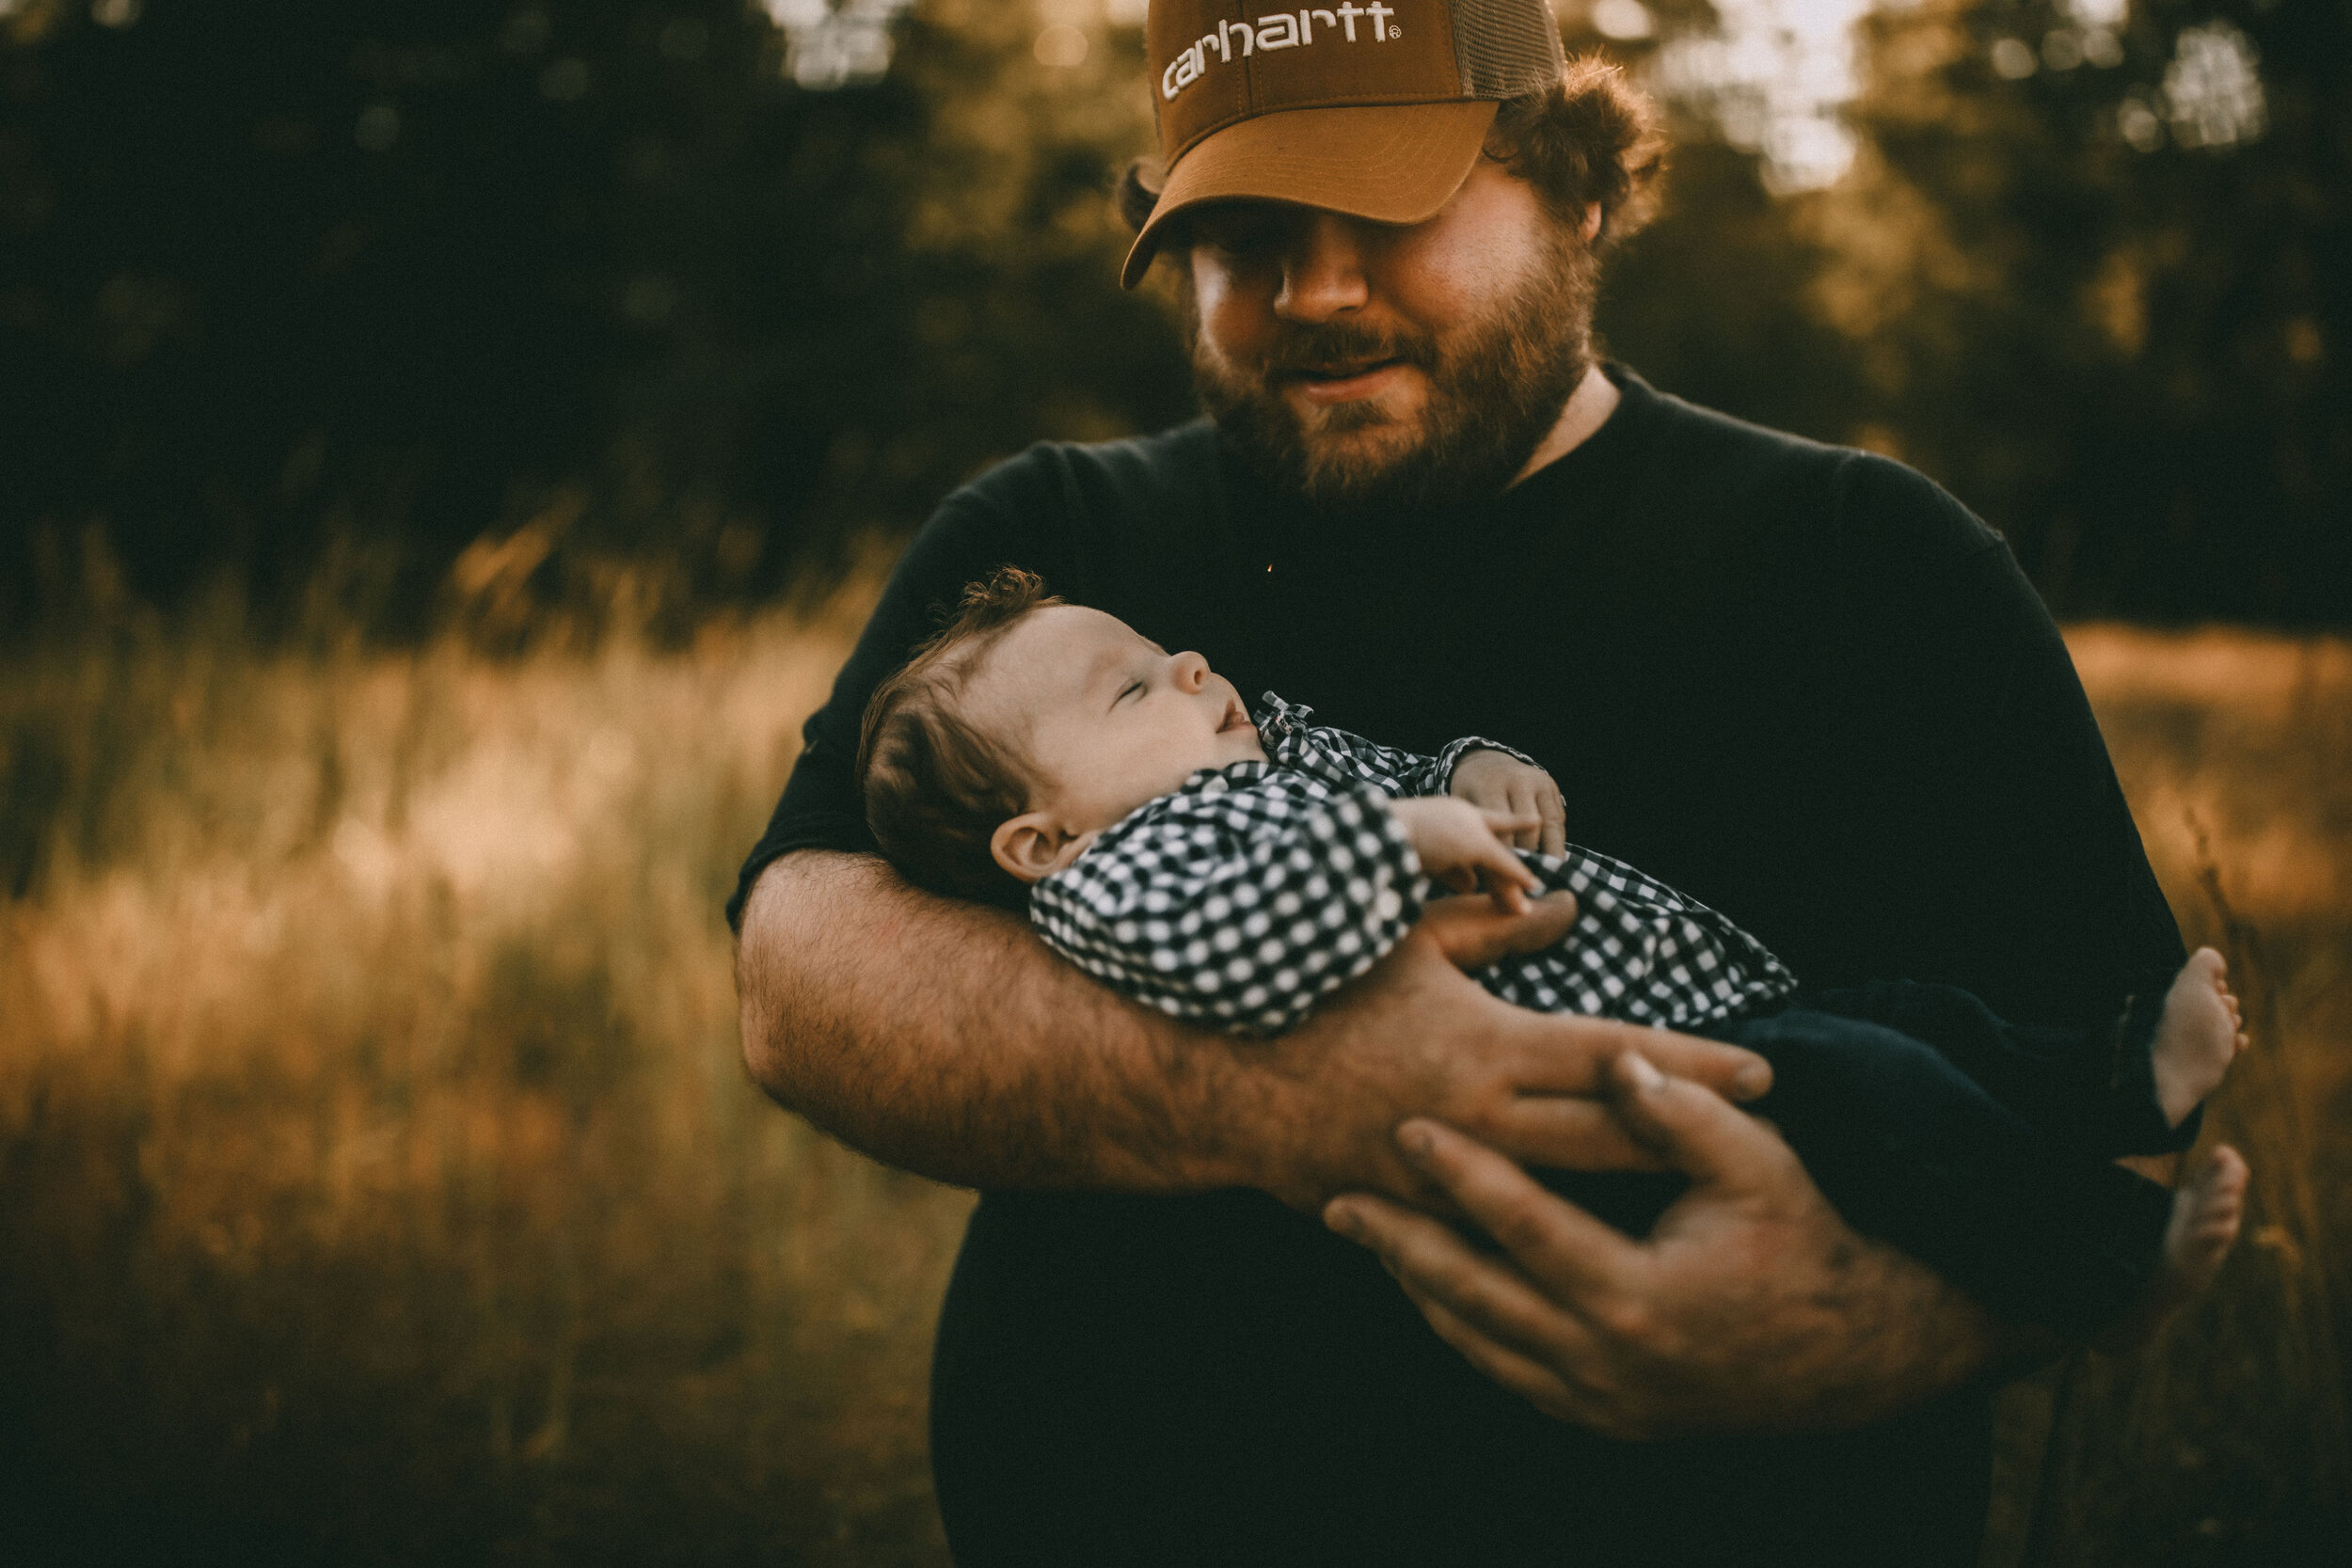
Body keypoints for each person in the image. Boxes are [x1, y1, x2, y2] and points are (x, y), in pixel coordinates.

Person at [730, 4, 2214, 1560]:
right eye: (1241, 234)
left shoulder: (1874, 568)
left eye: (1386, 205)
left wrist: (1878, 1329)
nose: (1315, 290)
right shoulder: (1050, 570)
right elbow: (799, 968)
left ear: (1580, 190)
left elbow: (2111, 1105)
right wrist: (1279, 1091)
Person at [852, 568, 2248, 1344]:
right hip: (1634, 1075)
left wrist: (1475, 764)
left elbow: (1393, 766)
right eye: (1136, 687)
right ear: (1038, 843)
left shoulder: (1260, 761)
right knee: (1890, 1095)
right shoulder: (1123, 876)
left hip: (1714, 995)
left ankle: (2118, 1083)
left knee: (1915, 1023)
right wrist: (1400, 839)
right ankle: (2106, 1262)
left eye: (1172, 653)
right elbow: (1236, 949)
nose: (1197, 669)